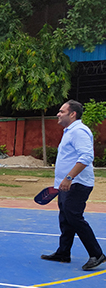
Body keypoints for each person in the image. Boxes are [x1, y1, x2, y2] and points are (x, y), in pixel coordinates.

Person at [41, 100, 105, 271]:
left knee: (74, 217)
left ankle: (96, 254)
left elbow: (85, 157)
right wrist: (59, 183)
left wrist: (69, 177)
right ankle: (63, 252)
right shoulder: (69, 131)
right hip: (66, 185)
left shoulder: (79, 131)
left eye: (61, 111)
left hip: (77, 184)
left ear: (72, 114)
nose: (58, 114)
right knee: (65, 218)